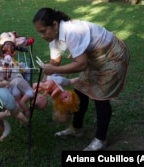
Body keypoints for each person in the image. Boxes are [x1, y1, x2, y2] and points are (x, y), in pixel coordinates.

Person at [32, 7, 129, 151]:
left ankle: (100, 140)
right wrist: (45, 84)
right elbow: (54, 63)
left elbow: (81, 65)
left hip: (112, 56)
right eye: (39, 32)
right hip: (93, 58)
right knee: (81, 91)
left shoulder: (72, 32)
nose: (42, 35)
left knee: (100, 98)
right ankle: (77, 128)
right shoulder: (54, 38)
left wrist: (54, 70)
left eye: (43, 31)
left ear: (54, 24)